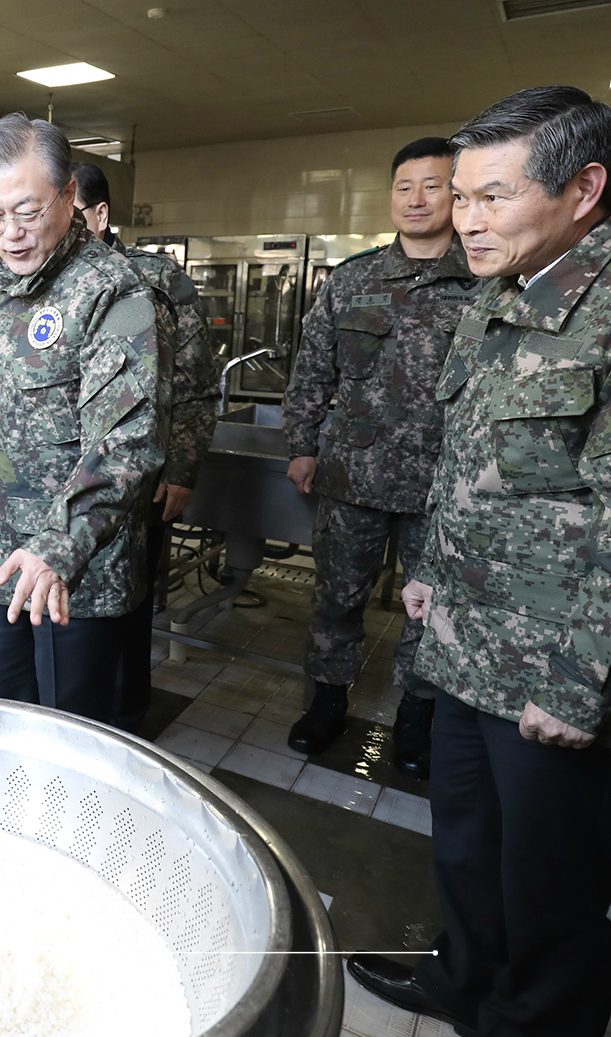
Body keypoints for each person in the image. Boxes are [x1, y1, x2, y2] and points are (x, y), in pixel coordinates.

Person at [348, 86, 611, 1037]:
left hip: (554, 667)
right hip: (463, 638)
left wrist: (583, 682)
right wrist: (435, 569)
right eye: (462, 196)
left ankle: (537, 1018)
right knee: (465, 839)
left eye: (492, 197)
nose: (467, 219)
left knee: (550, 880)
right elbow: (479, 461)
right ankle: (463, 976)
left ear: (584, 189)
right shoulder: (495, 298)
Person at [0, 113, 167, 725]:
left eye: (27, 211)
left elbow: (128, 441)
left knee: (77, 728)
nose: (9, 234)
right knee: (2, 716)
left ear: (69, 197)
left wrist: (60, 546)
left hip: (80, 565)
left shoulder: (111, 290)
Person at [280, 137, 479, 774]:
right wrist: (301, 446)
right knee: (337, 597)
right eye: (404, 187)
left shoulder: (486, 282)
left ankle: (416, 720)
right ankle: (327, 702)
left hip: (442, 485)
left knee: (432, 609)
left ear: (457, 194)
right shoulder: (354, 279)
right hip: (352, 474)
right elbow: (311, 372)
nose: (417, 199)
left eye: (432, 185)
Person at [74, 161, 220, 731]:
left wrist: (181, 469)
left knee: (128, 603)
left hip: (138, 476)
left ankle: (125, 722)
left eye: (71, 211)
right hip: (64, 480)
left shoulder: (156, 279)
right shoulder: (45, 279)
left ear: (99, 214)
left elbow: (195, 382)